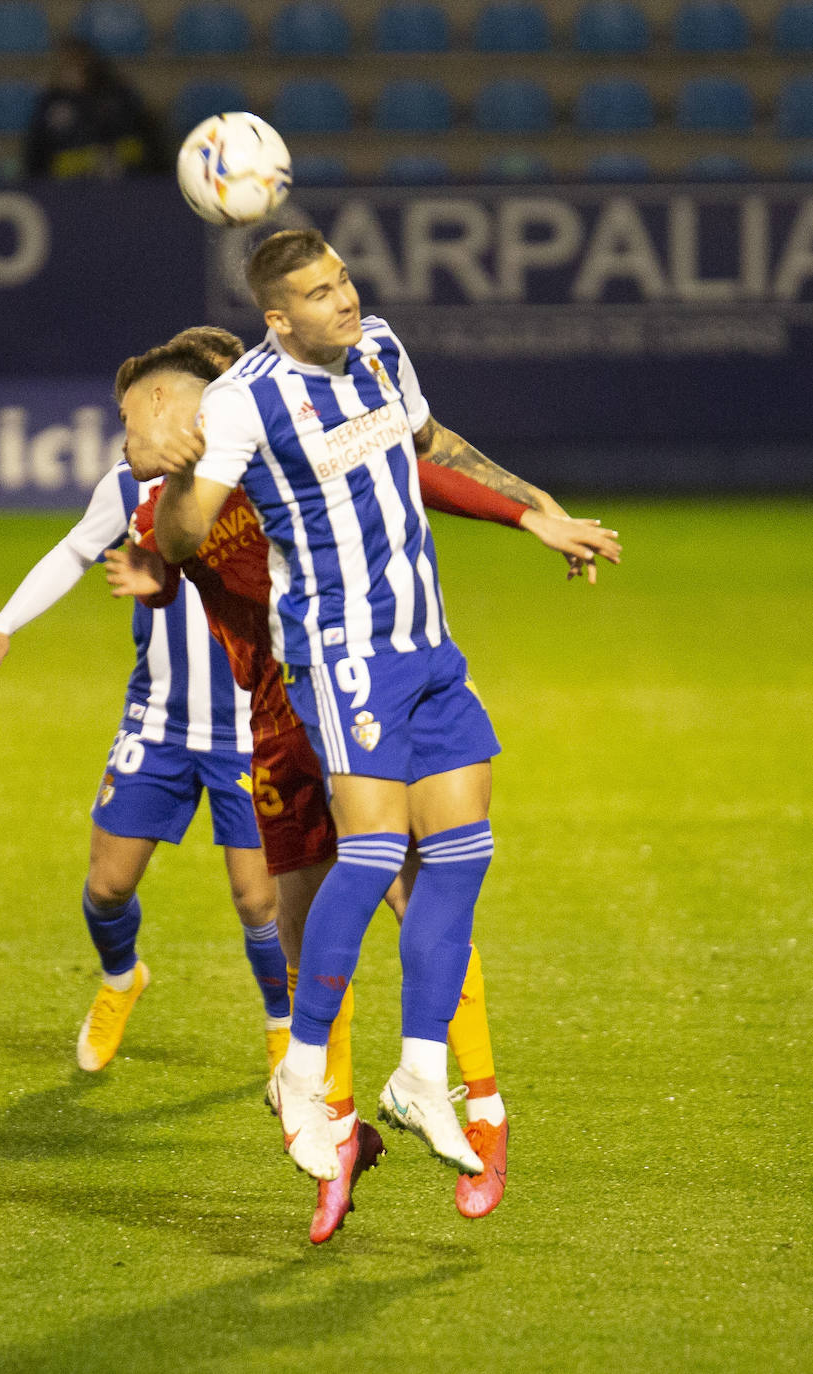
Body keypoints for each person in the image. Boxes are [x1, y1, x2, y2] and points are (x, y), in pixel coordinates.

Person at [108, 328, 618, 1238]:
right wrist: (156, 583)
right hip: (274, 722)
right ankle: (337, 1128)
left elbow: (409, 464)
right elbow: (175, 547)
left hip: (361, 687)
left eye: (130, 415)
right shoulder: (157, 512)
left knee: (419, 893)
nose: (120, 438)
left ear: (178, 407)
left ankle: (482, 1103)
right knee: (296, 922)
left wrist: (526, 506)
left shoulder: (283, 443)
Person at [0, 445, 287, 1075]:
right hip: (157, 722)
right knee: (108, 886)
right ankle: (120, 978)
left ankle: (284, 1030)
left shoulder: (262, 476)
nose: (128, 436)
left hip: (249, 729)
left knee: (258, 903)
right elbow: (76, 550)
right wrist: (5, 622)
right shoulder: (130, 486)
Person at [23, 37, 168, 180]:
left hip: (123, 182)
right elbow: (37, 155)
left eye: (74, 63)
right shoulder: (50, 102)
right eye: (63, 64)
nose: (68, 71)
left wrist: (108, 157)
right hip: (65, 187)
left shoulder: (118, 97)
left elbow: (144, 144)